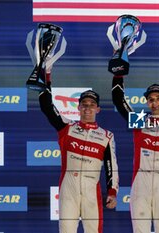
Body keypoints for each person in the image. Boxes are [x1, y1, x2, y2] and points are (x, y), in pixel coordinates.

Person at [39, 72, 119, 233]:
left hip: (91, 191)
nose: (87, 107)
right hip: (68, 189)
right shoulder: (66, 127)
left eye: (91, 104)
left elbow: (112, 166)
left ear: (98, 109)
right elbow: (47, 107)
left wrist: (112, 192)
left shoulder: (106, 136)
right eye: (84, 103)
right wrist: (46, 76)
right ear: (78, 107)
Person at [112, 76, 159, 233]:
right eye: (151, 99)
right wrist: (118, 75)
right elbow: (119, 101)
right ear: (147, 103)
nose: (155, 103)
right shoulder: (139, 121)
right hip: (141, 183)